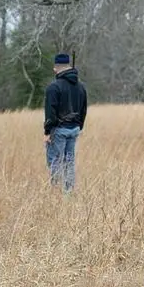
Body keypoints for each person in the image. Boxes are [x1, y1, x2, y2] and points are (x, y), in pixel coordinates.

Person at [43, 52, 87, 193]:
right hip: (74, 129)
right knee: (69, 162)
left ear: (57, 67)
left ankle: (56, 193)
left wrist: (47, 132)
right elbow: (83, 109)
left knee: (55, 161)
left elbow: (50, 112)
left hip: (59, 130)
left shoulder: (53, 87)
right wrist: (79, 127)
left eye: (55, 67)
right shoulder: (80, 86)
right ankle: (68, 193)